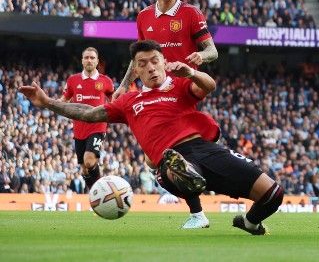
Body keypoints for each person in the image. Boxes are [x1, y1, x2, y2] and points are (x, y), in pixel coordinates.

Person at [20, 40, 282, 235]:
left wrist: (191, 72)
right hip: (170, 158)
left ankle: (249, 223)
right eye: (142, 64)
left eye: (155, 60)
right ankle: (183, 176)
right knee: (172, 164)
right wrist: (47, 102)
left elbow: (209, 86)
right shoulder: (129, 101)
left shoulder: (179, 85)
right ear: (137, 70)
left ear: (163, 62)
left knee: (274, 194)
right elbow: (88, 113)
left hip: (206, 149)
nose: (151, 68)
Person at [112, 0, 219, 228]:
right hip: (152, 92)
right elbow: (138, 57)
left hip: (181, 91)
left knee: (169, 152)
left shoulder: (191, 14)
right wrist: (124, 84)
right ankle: (195, 201)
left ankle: (197, 210)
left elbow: (212, 50)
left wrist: (200, 57)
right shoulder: (144, 17)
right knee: (153, 158)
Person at [62, 47, 114, 191]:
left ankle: (102, 191)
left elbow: (115, 100)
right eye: (86, 57)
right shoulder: (73, 80)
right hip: (79, 129)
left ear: (97, 61)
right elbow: (63, 101)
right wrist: (48, 103)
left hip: (97, 126)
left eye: (92, 58)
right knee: (84, 169)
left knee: (89, 160)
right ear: (82, 61)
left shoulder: (106, 81)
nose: (89, 60)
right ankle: (94, 194)